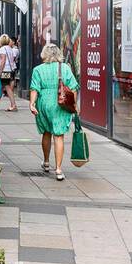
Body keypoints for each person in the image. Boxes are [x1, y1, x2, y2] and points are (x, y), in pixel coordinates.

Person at [29, 42, 80, 181]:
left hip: (44, 103)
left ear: (44, 54)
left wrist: (32, 104)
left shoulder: (38, 69)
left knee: (46, 132)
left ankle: (46, 162)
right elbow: (74, 87)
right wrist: (74, 105)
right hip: (60, 103)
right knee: (58, 136)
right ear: (58, 54)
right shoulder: (65, 68)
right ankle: (58, 169)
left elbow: (34, 88)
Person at [0, 36, 19, 111]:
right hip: (10, 70)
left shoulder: (2, 49)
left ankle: (13, 105)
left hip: (4, 71)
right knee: (1, 88)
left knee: (7, 87)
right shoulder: (10, 48)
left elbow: (3, 61)